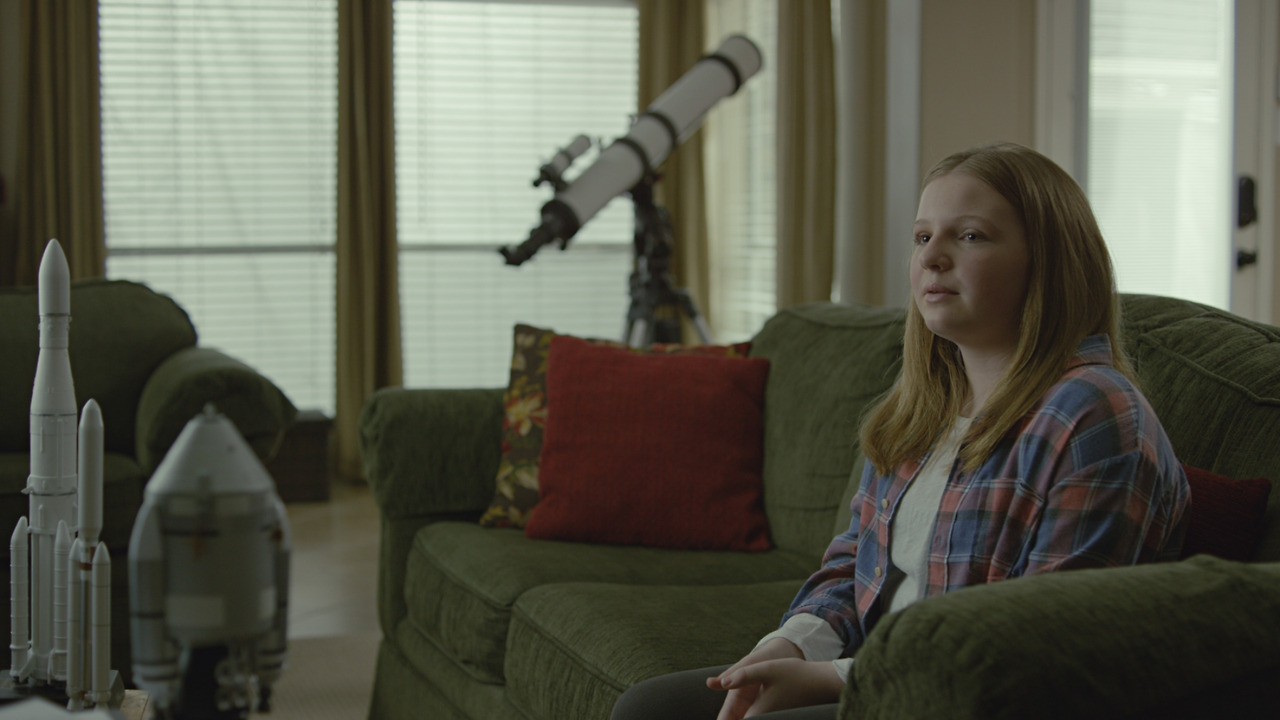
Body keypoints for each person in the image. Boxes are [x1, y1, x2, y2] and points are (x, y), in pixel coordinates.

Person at [610, 142, 1191, 720]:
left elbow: (1043, 642)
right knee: (650, 708)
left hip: (972, 700)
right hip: (876, 675)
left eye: (970, 235)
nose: (932, 257)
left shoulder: (1094, 414)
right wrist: (788, 646)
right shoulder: (923, 405)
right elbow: (852, 565)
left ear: (1050, 261)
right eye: (922, 237)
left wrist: (832, 679)